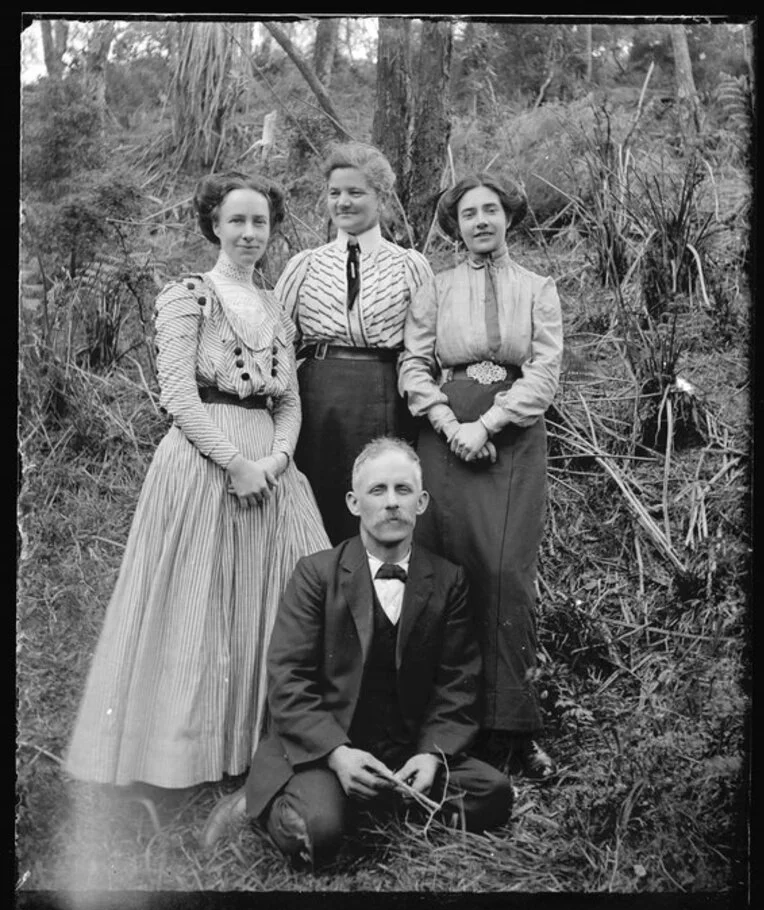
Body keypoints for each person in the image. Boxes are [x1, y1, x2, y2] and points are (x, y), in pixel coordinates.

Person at [64, 170, 330, 790]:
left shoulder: (273, 307)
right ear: (213, 223)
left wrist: (277, 462)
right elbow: (179, 395)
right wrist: (235, 463)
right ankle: (181, 759)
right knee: (199, 601)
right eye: (236, 220)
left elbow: (288, 401)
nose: (248, 232)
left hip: (270, 465)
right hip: (204, 460)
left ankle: (261, 751)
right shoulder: (190, 295)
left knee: (276, 596)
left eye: (259, 221)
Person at [201, 438, 512, 867]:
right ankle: (273, 801)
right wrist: (337, 753)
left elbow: (458, 682)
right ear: (353, 502)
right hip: (326, 750)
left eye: (403, 491)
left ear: (421, 502)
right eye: (377, 491)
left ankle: (377, 800)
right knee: (321, 837)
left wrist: (430, 754)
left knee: (493, 795)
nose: (391, 504)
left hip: (406, 750)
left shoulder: (448, 580)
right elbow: (288, 678)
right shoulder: (316, 573)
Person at [398, 172, 563, 779]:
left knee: (506, 575)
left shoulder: (538, 289)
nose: (481, 222)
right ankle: (442, 730)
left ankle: (513, 731)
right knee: (445, 573)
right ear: (456, 226)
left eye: (491, 211)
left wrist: (487, 425)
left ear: (508, 218)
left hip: (513, 438)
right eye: (469, 214)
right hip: (443, 440)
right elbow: (414, 364)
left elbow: (543, 373)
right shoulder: (435, 290)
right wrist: (447, 422)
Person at [274, 142, 435, 545]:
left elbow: (426, 348)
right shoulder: (305, 265)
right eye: (335, 193)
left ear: (380, 197)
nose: (343, 202)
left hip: (385, 399)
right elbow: (276, 343)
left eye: (356, 192)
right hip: (319, 401)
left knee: (380, 500)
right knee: (321, 503)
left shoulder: (409, 265)